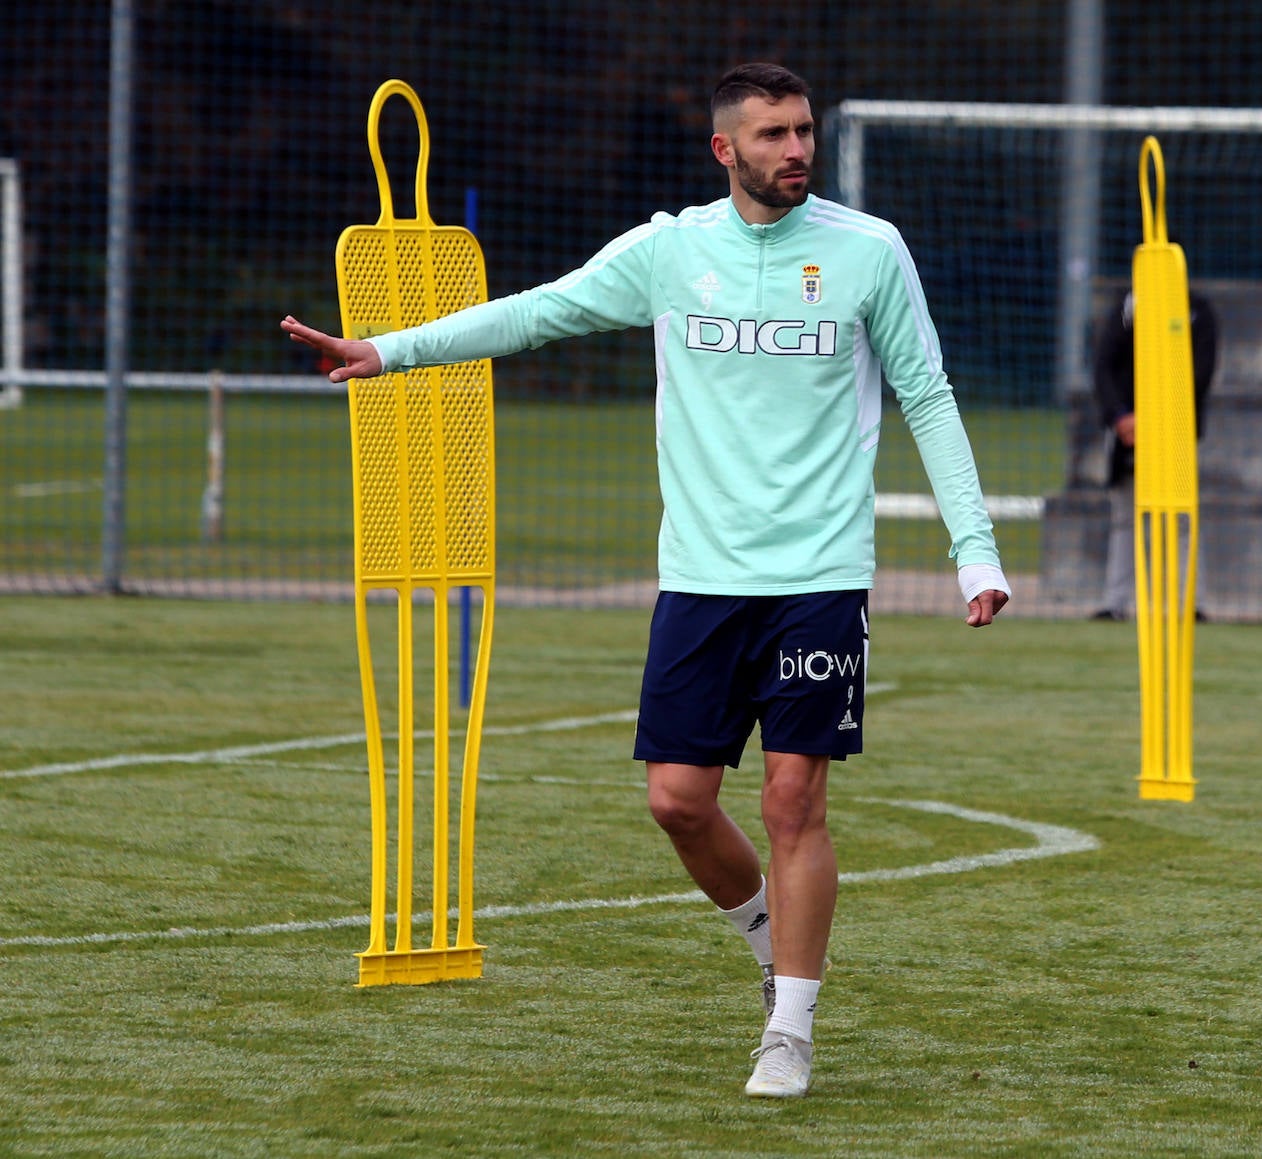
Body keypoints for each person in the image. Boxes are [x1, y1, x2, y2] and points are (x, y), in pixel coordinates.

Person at [281, 62, 1009, 1099]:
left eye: (803, 131)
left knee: (795, 797)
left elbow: (928, 399)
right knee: (676, 801)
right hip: (702, 578)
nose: (796, 149)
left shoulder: (868, 252)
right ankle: (773, 943)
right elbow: (534, 314)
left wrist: (972, 550)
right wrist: (388, 352)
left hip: (821, 574)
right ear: (726, 150)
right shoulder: (670, 252)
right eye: (772, 134)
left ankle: (790, 1030)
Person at [1091, 287, 1218, 621]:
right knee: (1125, 516)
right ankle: (1115, 604)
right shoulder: (1128, 306)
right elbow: (1104, 365)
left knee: (1181, 519)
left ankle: (1189, 604)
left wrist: (1159, 418)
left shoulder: (1196, 310)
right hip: (1127, 432)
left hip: (1176, 429)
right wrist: (1121, 417)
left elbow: (1198, 375)